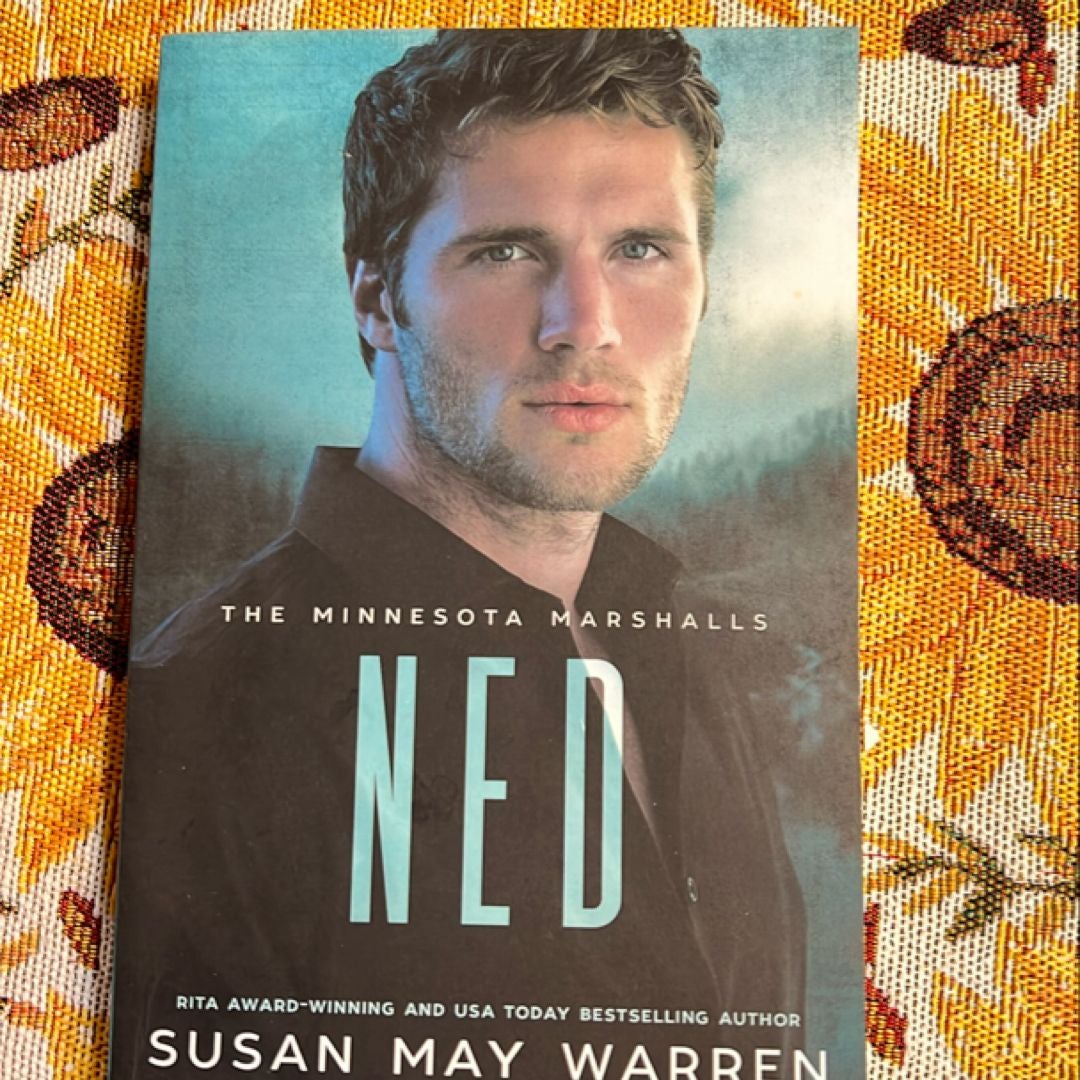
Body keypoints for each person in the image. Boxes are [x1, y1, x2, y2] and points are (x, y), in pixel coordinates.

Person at [112, 29, 805, 1078]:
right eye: (507, 251)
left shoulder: (689, 653)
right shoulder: (204, 706)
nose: (585, 326)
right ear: (376, 301)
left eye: (640, 249)